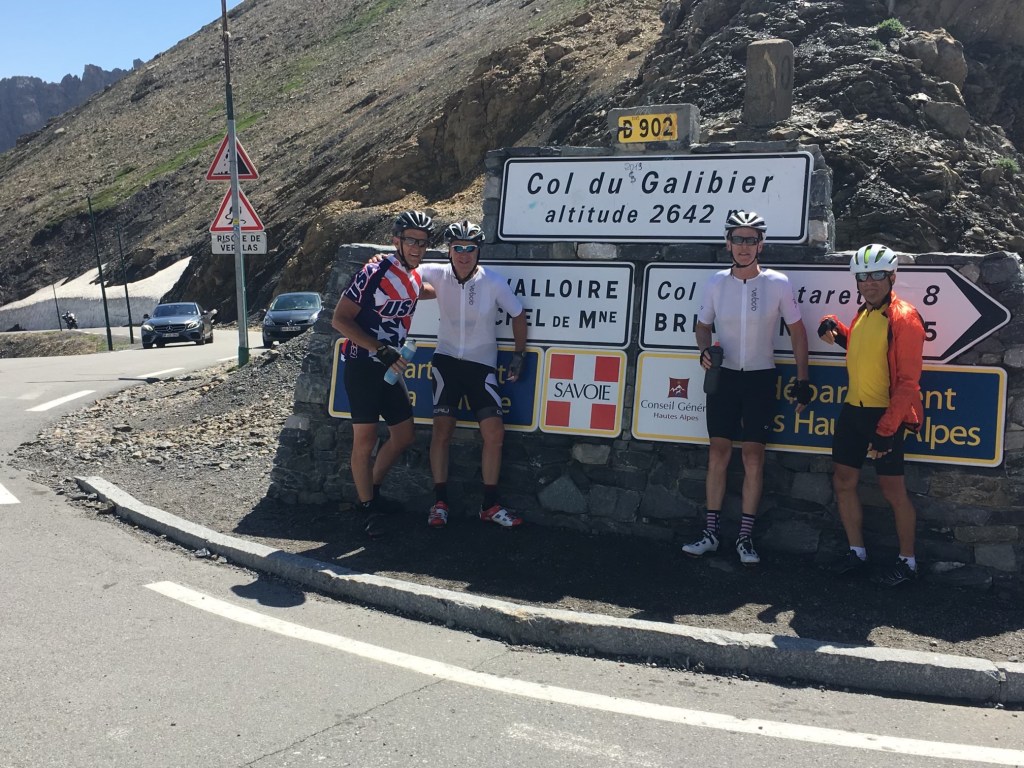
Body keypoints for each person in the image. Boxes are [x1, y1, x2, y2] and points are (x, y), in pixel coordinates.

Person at [682, 210, 811, 565]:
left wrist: (803, 380)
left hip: (760, 377)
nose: (743, 246)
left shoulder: (778, 283)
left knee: (753, 456)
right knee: (718, 453)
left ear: (760, 245)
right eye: (737, 239)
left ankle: (745, 538)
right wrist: (704, 350)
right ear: (728, 243)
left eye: (750, 239)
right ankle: (711, 533)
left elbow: (798, 332)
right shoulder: (716, 282)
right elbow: (702, 326)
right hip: (724, 377)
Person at [817, 243, 925, 587]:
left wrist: (886, 429)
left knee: (893, 490)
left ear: (892, 277)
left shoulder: (904, 317)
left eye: (877, 275)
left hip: (885, 415)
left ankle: (908, 562)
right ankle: (857, 553)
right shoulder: (863, 313)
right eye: (863, 276)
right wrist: (834, 325)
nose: (869, 282)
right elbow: (861, 348)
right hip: (853, 410)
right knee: (843, 482)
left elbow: (908, 382)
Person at [416, 220, 528, 528]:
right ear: (449, 251)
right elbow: (403, 269)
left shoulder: (492, 281)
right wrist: (379, 260)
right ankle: (440, 503)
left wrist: (518, 355)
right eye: (458, 248)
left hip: (481, 365)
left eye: (470, 248)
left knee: (495, 434)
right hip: (447, 362)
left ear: (478, 251)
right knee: (442, 432)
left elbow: (518, 314)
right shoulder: (436, 273)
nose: (464, 254)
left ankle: (489, 506)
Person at [331, 210, 433, 538]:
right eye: (411, 240)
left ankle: (372, 492)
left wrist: (463, 284)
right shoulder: (374, 271)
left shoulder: (415, 276)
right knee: (365, 440)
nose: (417, 247)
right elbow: (340, 320)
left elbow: (427, 289)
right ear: (396, 241)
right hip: (363, 364)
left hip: (390, 368)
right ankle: (366, 508)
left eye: (423, 242)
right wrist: (379, 349)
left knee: (404, 436)